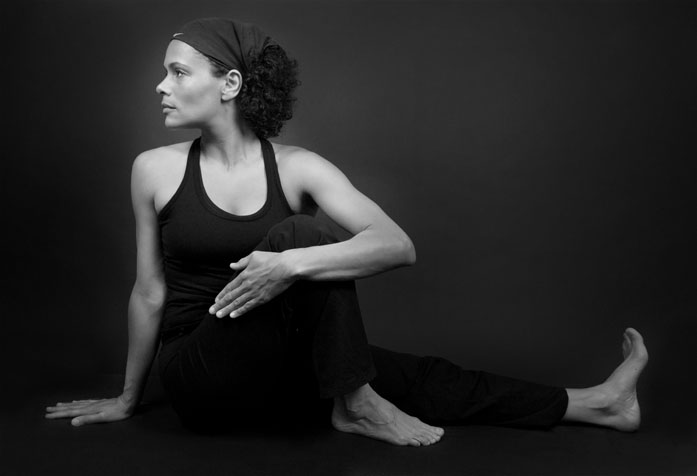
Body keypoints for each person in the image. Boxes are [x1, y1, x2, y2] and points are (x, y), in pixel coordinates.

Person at [45, 18, 649, 447]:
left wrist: (290, 266)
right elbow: (149, 291)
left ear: (229, 85)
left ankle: (597, 404)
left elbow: (398, 245)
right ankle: (356, 404)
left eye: (178, 72)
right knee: (303, 235)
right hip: (199, 375)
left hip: (278, 365)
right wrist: (128, 398)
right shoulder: (153, 170)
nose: (161, 86)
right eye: (164, 73)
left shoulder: (299, 167)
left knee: (415, 375)